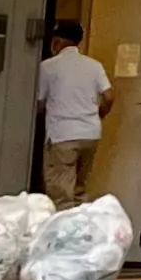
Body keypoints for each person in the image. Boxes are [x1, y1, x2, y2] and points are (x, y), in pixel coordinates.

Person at [36, 20, 109, 206]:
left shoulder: (48, 67)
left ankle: (65, 231)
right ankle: (81, 227)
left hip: (63, 136)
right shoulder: (94, 66)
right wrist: (99, 114)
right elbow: (109, 95)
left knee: (60, 193)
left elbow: (39, 102)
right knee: (79, 189)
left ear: (57, 42)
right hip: (90, 134)